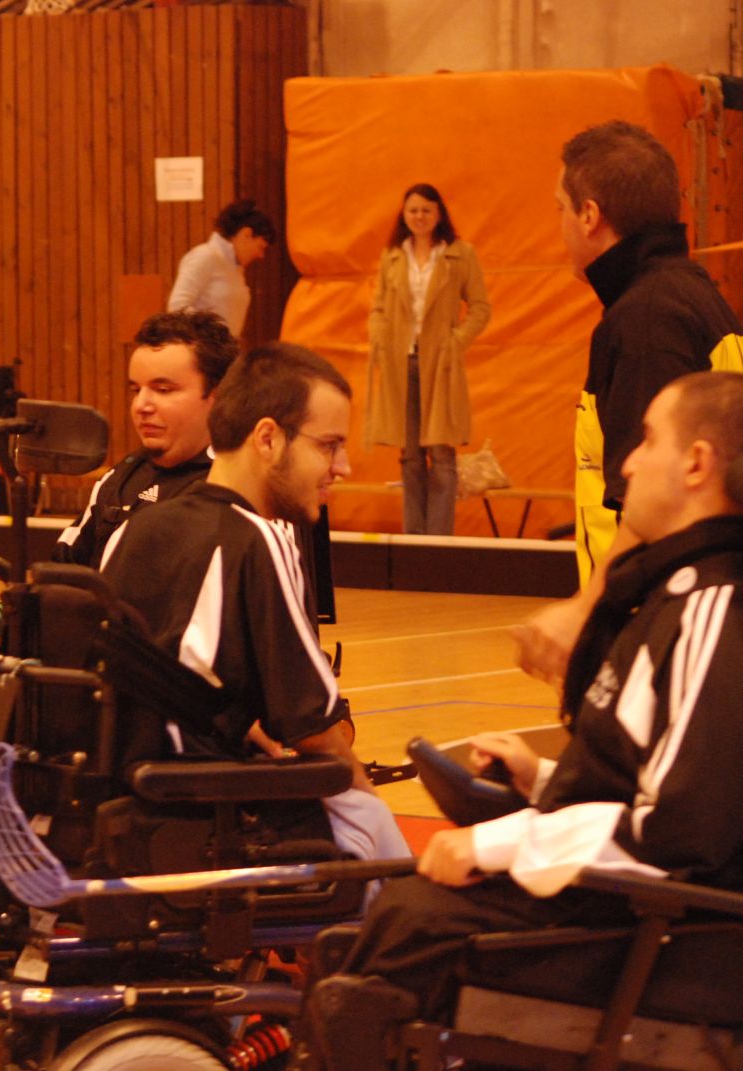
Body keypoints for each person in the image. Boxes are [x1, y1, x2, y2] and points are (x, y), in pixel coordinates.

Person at [303, 371, 743, 1068]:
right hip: (625, 908)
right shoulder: (677, 595)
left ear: (696, 463)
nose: (627, 462)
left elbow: (681, 833)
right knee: (385, 927)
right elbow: (660, 783)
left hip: (672, 943)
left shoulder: (716, 610)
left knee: (405, 929)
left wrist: (498, 843)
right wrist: (540, 779)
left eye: (647, 440)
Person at [100, 343, 410, 863]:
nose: (343, 466)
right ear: (267, 439)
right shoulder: (262, 538)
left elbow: (154, 676)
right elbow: (315, 731)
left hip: (118, 809)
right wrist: (368, 797)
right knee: (365, 815)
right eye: (329, 446)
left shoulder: (134, 530)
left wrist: (235, 722)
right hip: (201, 818)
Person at [516, 121, 743, 684]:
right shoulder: (691, 295)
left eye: (561, 208)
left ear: (590, 216)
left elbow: (654, 499)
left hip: (659, 628)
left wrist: (585, 610)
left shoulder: (646, 321)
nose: (560, 225)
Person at [0, 311, 237, 657]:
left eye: (163, 389)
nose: (142, 405)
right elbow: (62, 572)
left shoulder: (236, 493)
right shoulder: (118, 481)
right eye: (136, 390)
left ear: (218, 397)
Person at [363, 183, 490, 535]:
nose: (419, 216)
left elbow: (480, 308)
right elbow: (377, 308)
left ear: (438, 214)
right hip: (400, 364)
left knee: (442, 453)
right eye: (413, 210)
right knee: (410, 456)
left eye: (426, 210)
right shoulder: (392, 256)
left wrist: (456, 342)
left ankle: (439, 542)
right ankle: (413, 540)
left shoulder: (460, 254)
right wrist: (380, 337)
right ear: (403, 215)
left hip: (441, 365)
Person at [167, 199, 275, 338]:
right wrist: (213, 335)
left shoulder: (234, 268)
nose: (261, 255)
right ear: (246, 234)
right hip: (202, 348)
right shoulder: (205, 255)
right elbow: (177, 307)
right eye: (261, 247)